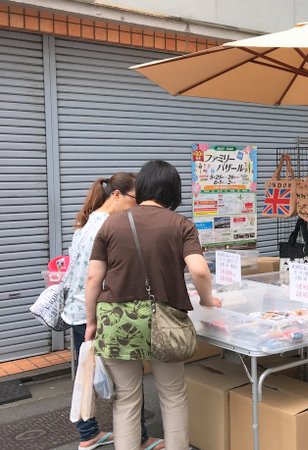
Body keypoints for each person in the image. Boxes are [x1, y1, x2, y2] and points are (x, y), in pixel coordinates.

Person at [84, 161, 221, 450]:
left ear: (143, 187)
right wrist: (208, 299)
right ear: (173, 191)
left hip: (117, 320)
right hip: (165, 321)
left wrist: (91, 322)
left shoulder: (112, 223)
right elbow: (199, 270)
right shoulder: (181, 224)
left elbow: (94, 276)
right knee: (172, 395)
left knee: (126, 398)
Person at [64, 173, 161, 450]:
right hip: (99, 312)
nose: (137, 205)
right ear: (116, 195)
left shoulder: (87, 221)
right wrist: (94, 319)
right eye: (135, 199)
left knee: (86, 371)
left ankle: (88, 433)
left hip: (78, 309)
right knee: (127, 378)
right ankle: (139, 438)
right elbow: (97, 278)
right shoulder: (110, 226)